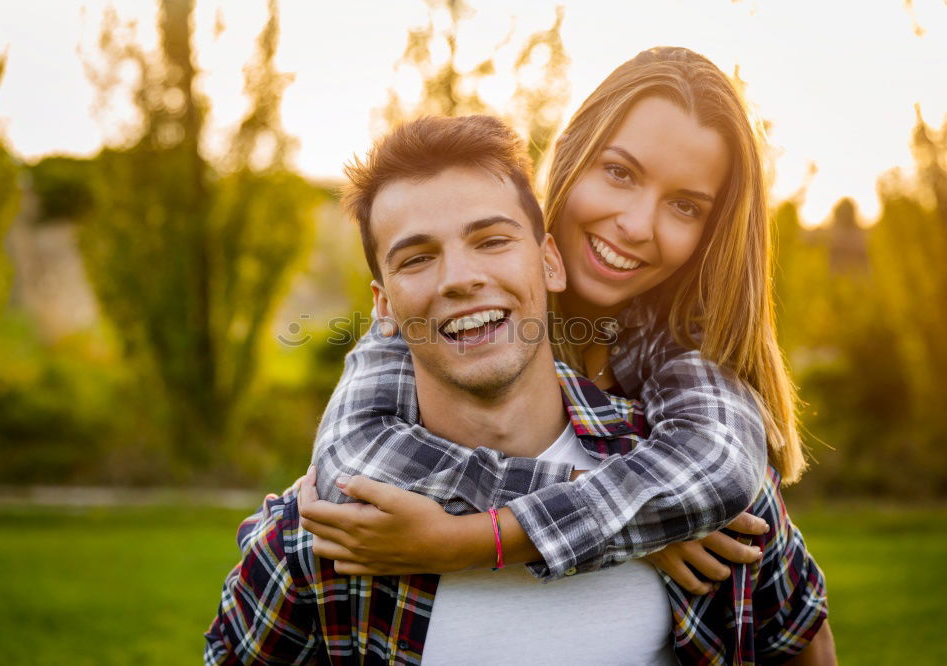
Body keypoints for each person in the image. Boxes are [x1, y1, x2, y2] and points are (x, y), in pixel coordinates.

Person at [206, 113, 832, 664]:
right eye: (417, 258)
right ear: (383, 308)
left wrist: (637, 520)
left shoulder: (713, 503)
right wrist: (632, 524)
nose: (460, 278)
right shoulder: (328, 530)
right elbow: (347, 456)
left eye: (493, 240)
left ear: (548, 260)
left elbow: (797, 641)